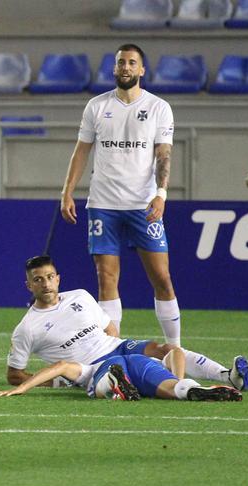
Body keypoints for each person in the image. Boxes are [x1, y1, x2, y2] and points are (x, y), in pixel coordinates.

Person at [60, 43, 180, 345]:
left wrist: (161, 194)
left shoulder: (158, 107)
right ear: (115, 69)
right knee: (106, 279)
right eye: (120, 63)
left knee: (162, 279)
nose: (125, 67)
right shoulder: (97, 106)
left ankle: (175, 348)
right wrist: (67, 192)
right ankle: (111, 350)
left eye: (131, 63)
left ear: (141, 70)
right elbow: (81, 152)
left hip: (143, 205)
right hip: (103, 205)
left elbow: (163, 154)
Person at [5, 255, 248, 393]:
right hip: (93, 366)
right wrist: (61, 381)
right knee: (148, 368)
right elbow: (14, 375)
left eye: (49, 277)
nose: (46, 284)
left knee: (164, 349)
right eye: (38, 280)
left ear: (58, 278)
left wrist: (117, 342)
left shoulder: (79, 295)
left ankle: (227, 376)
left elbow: (108, 327)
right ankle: (179, 386)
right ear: (29, 286)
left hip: (118, 346)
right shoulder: (27, 328)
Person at [0, 354, 242, 402]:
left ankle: (115, 383)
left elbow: (60, 366)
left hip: (107, 366)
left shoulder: (87, 366)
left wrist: (23, 387)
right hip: (143, 362)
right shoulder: (131, 347)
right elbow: (176, 351)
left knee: (98, 387)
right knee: (172, 388)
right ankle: (190, 389)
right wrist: (173, 376)